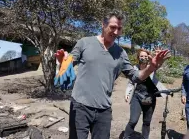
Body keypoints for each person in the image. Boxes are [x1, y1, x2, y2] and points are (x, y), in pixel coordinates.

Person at [55, 10, 170, 139]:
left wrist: (152, 67)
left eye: (119, 28)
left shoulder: (120, 53)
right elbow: (69, 62)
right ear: (103, 25)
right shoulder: (84, 43)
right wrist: (63, 62)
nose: (116, 32)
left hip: (104, 111)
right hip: (80, 106)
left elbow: (135, 76)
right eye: (113, 27)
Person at [124, 48, 168, 139]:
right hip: (137, 96)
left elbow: (158, 64)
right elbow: (131, 82)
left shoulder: (151, 66)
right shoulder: (134, 68)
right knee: (133, 120)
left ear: (148, 57)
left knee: (147, 122)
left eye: (145, 56)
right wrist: (127, 93)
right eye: (141, 56)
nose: (143, 57)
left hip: (150, 97)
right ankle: (126, 137)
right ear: (138, 57)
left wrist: (160, 58)